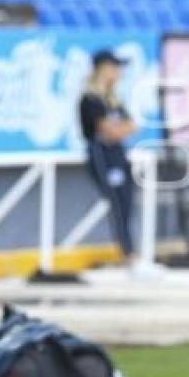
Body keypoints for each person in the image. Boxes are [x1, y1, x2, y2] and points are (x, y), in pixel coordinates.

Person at [79, 49, 139, 268]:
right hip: (101, 154)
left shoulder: (113, 100)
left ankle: (130, 251)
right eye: (115, 67)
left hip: (118, 154)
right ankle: (128, 253)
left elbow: (132, 126)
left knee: (127, 200)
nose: (119, 72)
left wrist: (117, 130)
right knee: (115, 200)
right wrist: (116, 130)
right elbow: (108, 131)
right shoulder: (90, 99)